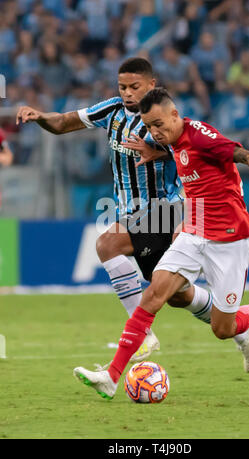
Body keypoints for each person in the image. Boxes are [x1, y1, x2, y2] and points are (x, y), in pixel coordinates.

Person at [73, 88, 249, 400]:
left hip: (230, 239)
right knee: (154, 295)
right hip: (193, 231)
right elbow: (169, 148)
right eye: (149, 126)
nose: (154, 132)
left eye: (159, 124)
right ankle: (111, 377)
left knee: (223, 329)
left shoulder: (201, 136)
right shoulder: (167, 138)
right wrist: (153, 148)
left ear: (175, 115)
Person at [16, 58, 219, 364]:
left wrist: (160, 152)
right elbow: (62, 123)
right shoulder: (111, 110)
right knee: (178, 295)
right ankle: (242, 325)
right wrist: (40, 116)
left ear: (152, 85)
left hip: (167, 209)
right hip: (132, 214)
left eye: (134, 87)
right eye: (122, 86)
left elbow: (192, 153)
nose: (127, 93)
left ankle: (141, 336)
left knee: (106, 244)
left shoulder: (164, 117)